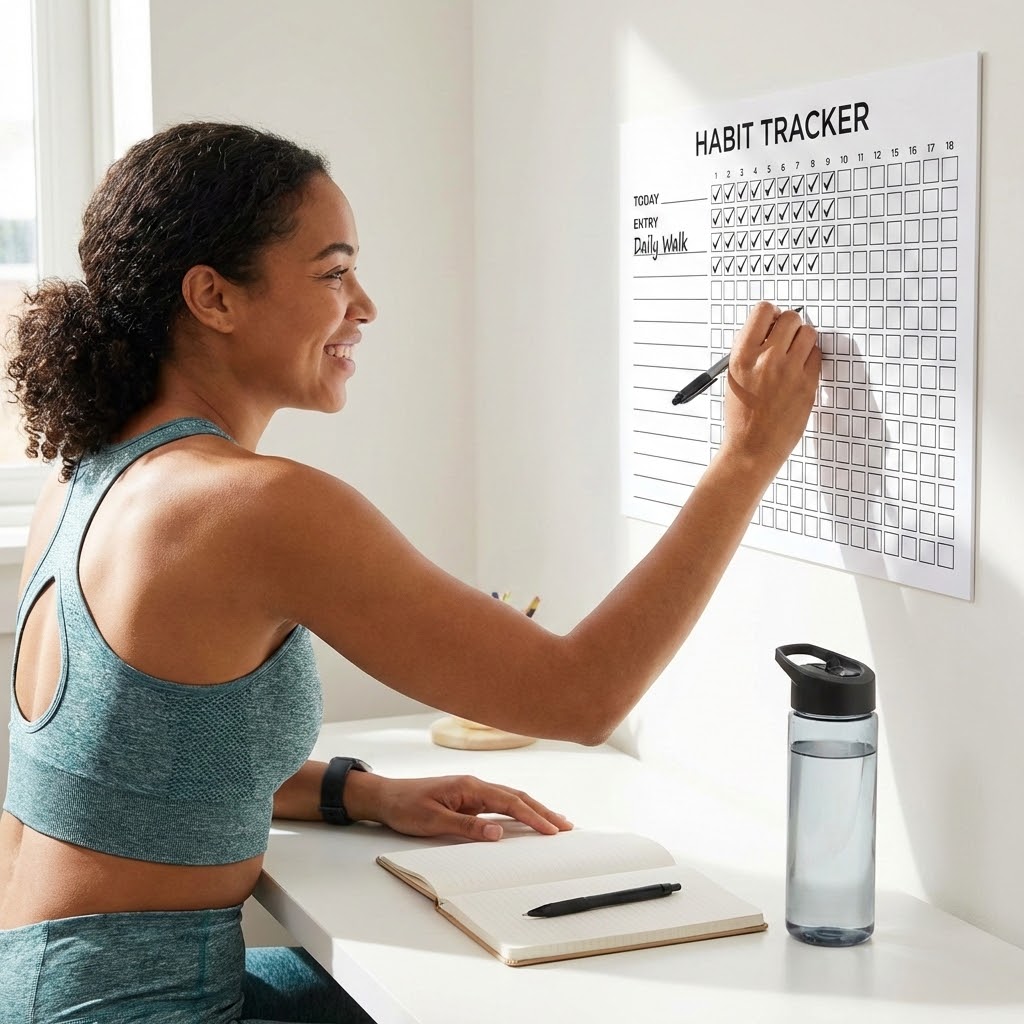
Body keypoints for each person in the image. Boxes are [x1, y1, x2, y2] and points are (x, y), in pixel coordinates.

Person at [0, 122, 819, 1023]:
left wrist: (363, 792)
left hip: (52, 991)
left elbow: (140, 763)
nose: (365, 306)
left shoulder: (86, 476)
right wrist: (744, 458)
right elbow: (585, 696)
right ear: (214, 298)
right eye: (333, 272)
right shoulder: (252, 506)